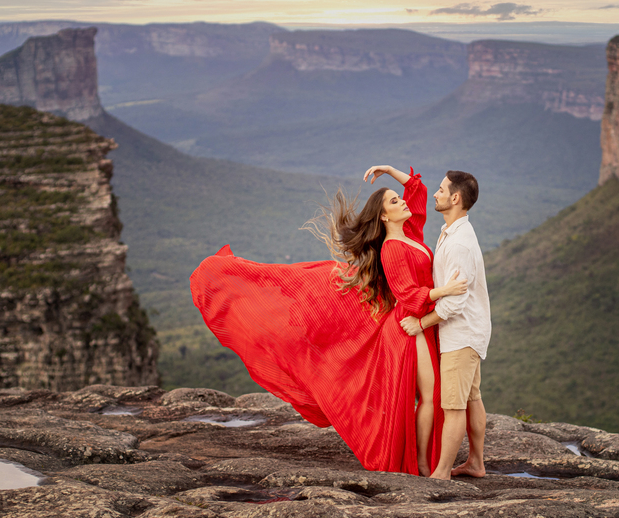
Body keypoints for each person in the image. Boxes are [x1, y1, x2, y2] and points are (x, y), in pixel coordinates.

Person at [189, 165, 466, 476]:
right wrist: (447, 290)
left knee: (430, 396)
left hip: (420, 323)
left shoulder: (412, 234)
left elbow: (418, 192)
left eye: (396, 198)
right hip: (408, 326)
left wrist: (390, 172)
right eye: (392, 202)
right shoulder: (390, 248)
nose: (401, 202)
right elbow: (408, 295)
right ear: (385, 218)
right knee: (429, 396)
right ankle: (423, 465)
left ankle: (422, 462)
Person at [401, 170, 491, 480]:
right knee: (471, 398)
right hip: (470, 331)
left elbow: (454, 304)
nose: (436, 194)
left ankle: (441, 474)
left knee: (454, 407)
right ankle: (476, 463)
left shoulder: (458, 245)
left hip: (460, 335)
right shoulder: (453, 232)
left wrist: (421, 323)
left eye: (440, 190)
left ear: (455, 198)